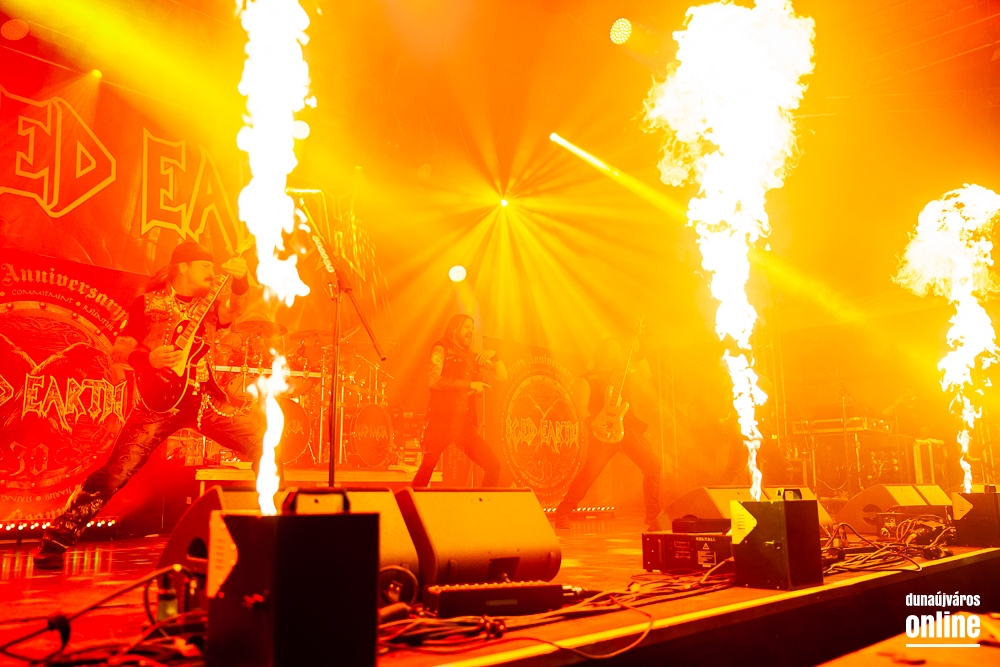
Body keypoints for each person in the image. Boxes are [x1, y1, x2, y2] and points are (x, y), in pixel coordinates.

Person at [34, 242, 264, 569]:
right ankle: (56, 541)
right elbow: (119, 352)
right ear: (183, 266)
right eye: (205, 266)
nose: (212, 273)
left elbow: (234, 309)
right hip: (159, 404)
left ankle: (269, 531)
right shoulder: (149, 304)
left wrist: (240, 281)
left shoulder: (210, 305)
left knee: (265, 445)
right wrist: (149, 359)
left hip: (203, 401)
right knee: (115, 474)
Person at [553, 337, 662, 528]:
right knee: (589, 474)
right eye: (613, 348)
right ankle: (563, 512)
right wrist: (592, 424)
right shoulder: (588, 378)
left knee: (653, 466)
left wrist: (639, 353)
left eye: (618, 348)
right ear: (603, 351)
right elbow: (581, 406)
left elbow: (647, 376)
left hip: (627, 429)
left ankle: (654, 516)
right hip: (602, 432)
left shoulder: (624, 373)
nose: (617, 352)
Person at [412, 314, 505, 488]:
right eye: (467, 327)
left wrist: (495, 355)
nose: (471, 331)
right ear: (455, 329)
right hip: (440, 420)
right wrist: (469, 384)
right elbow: (433, 380)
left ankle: (483, 504)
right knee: (427, 468)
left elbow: (502, 376)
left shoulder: (472, 358)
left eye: (473, 328)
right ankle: (406, 504)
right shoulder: (441, 348)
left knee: (494, 466)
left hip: (462, 424)